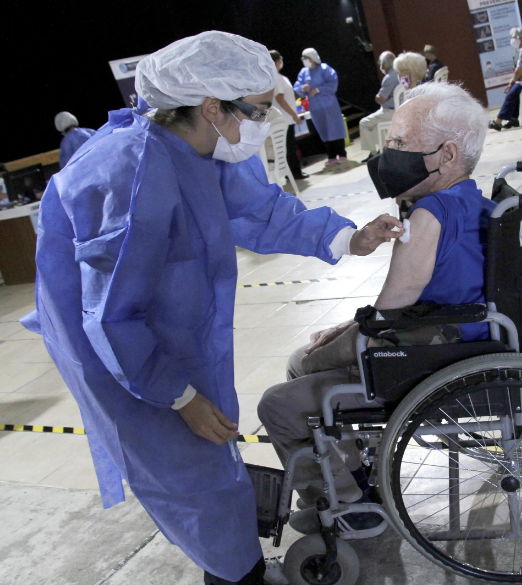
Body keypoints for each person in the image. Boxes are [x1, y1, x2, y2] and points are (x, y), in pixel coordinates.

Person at [21, 31, 403, 585]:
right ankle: (235, 575)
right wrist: (179, 396)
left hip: (169, 338)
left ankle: (235, 562)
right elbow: (110, 316)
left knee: (212, 456)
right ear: (210, 106)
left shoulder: (201, 148)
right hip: (124, 355)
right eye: (257, 110)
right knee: (191, 478)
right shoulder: (134, 175)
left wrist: (348, 237)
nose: (264, 122)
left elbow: (260, 210)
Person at [258, 82, 492, 532]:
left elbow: (380, 325)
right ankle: (350, 475)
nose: (389, 155)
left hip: (431, 361)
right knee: (304, 361)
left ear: (447, 154)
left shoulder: (430, 215)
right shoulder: (474, 201)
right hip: (458, 340)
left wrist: (331, 347)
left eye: (400, 143)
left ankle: (349, 505)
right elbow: (399, 308)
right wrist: (347, 328)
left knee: (280, 401)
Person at [294, 49, 347, 165]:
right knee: (323, 130)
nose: (304, 61)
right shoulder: (304, 72)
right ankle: (331, 155)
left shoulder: (324, 68)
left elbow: (333, 83)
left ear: (312, 58)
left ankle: (342, 153)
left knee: (335, 128)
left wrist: (319, 89)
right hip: (315, 107)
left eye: (306, 58)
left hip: (329, 105)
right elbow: (297, 86)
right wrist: (302, 88)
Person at [488, 27, 522, 131]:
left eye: (514, 37)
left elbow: (519, 70)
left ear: (521, 37)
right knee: (514, 91)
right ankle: (513, 119)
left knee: (511, 94)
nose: (513, 40)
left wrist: (512, 80)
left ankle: (498, 122)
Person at [269, 50, 308, 181]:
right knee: (289, 147)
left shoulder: (277, 77)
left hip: (285, 118)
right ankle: (295, 172)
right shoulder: (276, 78)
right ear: (276, 61)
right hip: (285, 118)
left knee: (287, 146)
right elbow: (280, 99)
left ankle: (291, 172)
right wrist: (293, 114)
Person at [359, 51, 399, 163]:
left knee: (364, 123)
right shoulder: (402, 72)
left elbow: (381, 99)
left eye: (381, 64)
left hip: (391, 111)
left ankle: (373, 153)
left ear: (384, 64)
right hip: (402, 108)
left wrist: (376, 97)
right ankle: (384, 149)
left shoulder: (389, 77)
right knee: (376, 124)